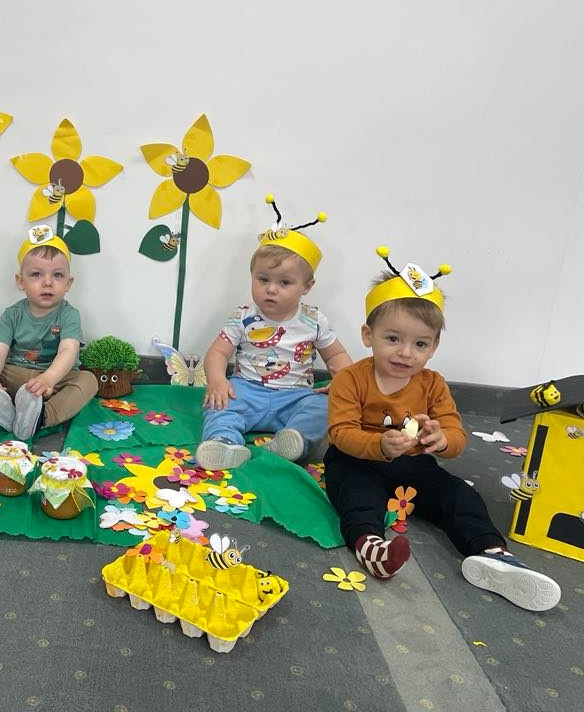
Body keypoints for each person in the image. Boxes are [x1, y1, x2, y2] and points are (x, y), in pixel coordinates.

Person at [325, 247, 560, 611]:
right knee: (357, 496)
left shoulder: (433, 384)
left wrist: (441, 439)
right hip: (356, 461)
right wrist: (380, 446)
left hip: (413, 466)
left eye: (420, 344)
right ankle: (371, 547)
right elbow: (340, 432)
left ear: (434, 347)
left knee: (459, 494)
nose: (406, 353)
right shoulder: (350, 379)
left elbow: (456, 435)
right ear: (368, 335)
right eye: (393, 339)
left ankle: (492, 553)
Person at [197, 196, 352, 470]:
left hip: (295, 396)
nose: (271, 289)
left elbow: (336, 355)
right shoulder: (242, 317)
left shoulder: (314, 320)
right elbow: (217, 353)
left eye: (284, 282)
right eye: (263, 279)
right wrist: (218, 380)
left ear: (307, 286)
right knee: (218, 404)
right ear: (252, 277)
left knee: (323, 407)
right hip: (246, 391)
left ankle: (294, 441)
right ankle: (224, 442)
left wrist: (343, 381)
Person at [0, 225, 98, 440]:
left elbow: (68, 350)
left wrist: (49, 378)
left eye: (58, 275)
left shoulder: (69, 315)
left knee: (88, 380)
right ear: (21, 281)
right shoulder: (12, 314)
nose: (47, 282)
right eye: (36, 274)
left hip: (54, 381)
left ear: (68, 283)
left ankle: (42, 416)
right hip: (13, 377)